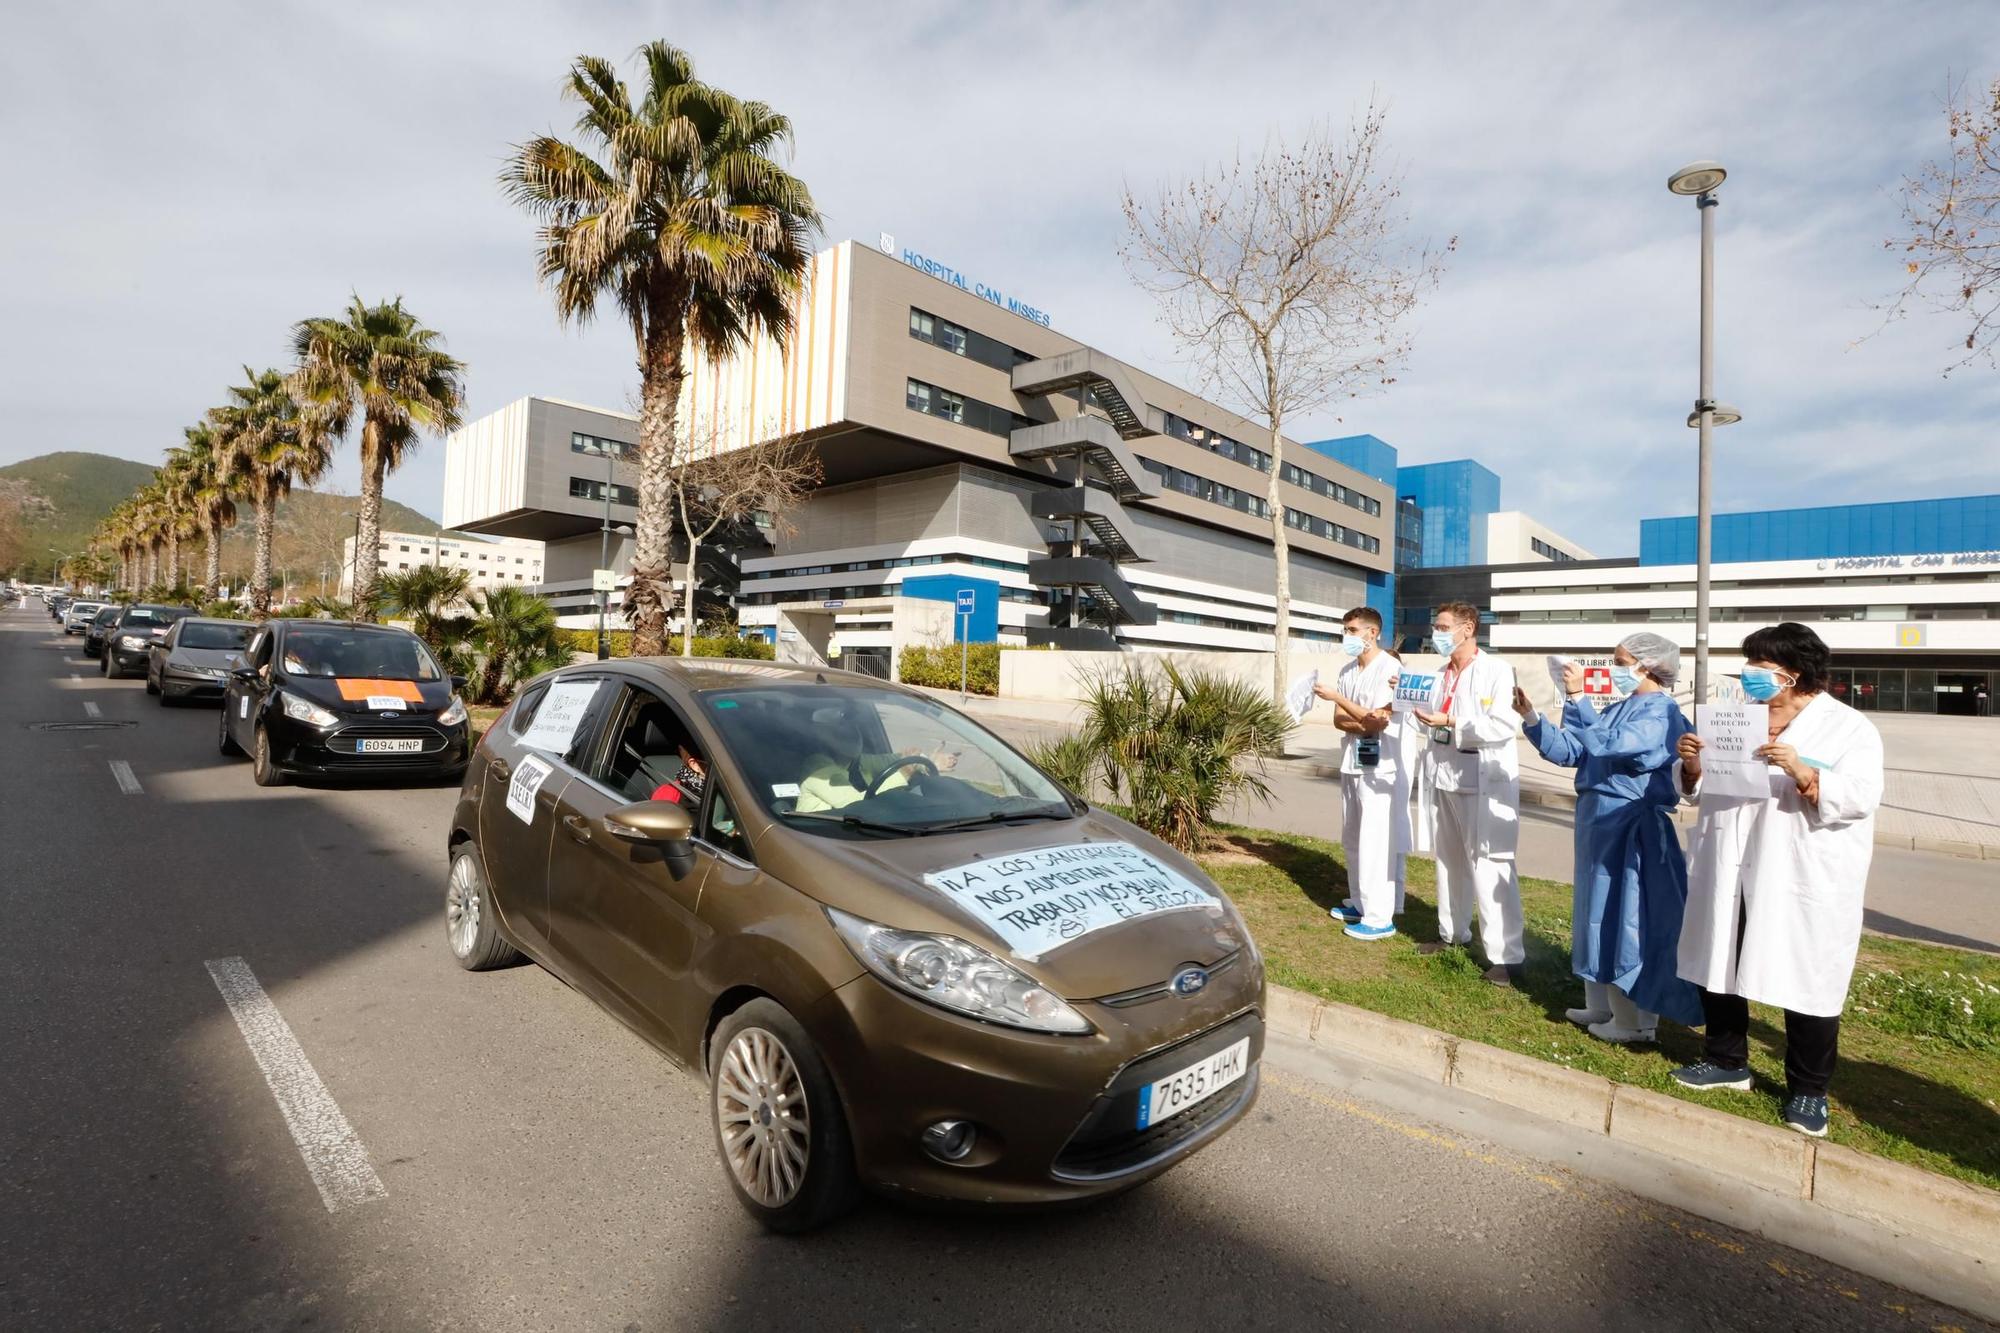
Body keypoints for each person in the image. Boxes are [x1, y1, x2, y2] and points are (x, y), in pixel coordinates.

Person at [1672, 623, 1884, 1138]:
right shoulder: (1737, 720)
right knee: (1717, 955)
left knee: (1807, 975)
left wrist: (1803, 771)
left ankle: (1809, 1091)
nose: (1750, 676)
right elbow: (1699, 792)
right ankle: (1726, 1061)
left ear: (1793, 673)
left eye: (1761, 666)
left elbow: (1860, 797)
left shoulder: (1849, 728)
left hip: (1798, 867)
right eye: (1749, 664)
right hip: (1730, 858)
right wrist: (1694, 766)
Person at [1514, 633, 1703, 1043]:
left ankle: (1635, 1022)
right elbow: (1574, 751)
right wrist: (1532, 718)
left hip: (1630, 825)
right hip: (1598, 822)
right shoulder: (1621, 707)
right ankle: (1600, 1003)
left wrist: (1580, 698)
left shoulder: (1662, 714)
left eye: (1621, 661)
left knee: (1626, 917)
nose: (1614, 668)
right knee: (1593, 910)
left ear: (1649, 666)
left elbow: (1611, 744)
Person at [1410, 601, 1525, 985]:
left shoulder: (1496, 671)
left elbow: (1503, 725)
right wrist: (1408, 698)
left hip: (1483, 781)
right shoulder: (1440, 673)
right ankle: (1451, 934)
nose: (1436, 634)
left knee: (1490, 866)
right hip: (1444, 775)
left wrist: (1452, 721)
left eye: (1443, 627)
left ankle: (1504, 958)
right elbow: (1429, 715)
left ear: (1467, 628)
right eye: (1435, 626)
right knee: (1449, 861)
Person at [1315, 607, 1404, 941]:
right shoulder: (1347, 670)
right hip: (1352, 760)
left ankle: (1380, 917)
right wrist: (1357, 719)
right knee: (1352, 836)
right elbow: (1341, 720)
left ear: (1372, 633)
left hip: (1380, 766)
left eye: (1352, 630)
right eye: (1345, 630)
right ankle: (1359, 901)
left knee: (1375, 840)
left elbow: (1377, 718)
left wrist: (1340, 700)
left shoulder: (1390, 668)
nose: (1347, 636)